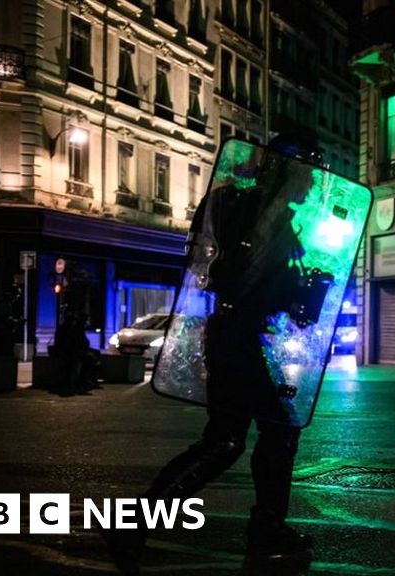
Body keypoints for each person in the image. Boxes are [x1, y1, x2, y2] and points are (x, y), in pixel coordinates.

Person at [103, 136, 325, 574]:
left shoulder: (256, 210)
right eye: (309, 173)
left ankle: (143, 524)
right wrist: (297, 291)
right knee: (251, 436)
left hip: (237, 335)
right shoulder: (263, 214)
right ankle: (259, 529)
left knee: (231, 439)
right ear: (288, 171)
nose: (313, 184)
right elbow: (248, 280)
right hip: (241, 338)